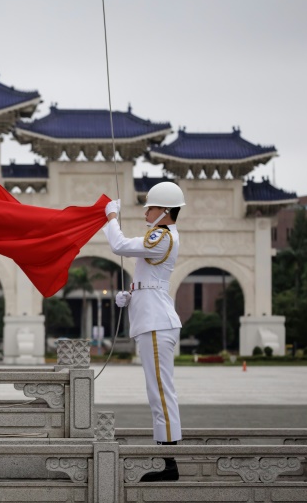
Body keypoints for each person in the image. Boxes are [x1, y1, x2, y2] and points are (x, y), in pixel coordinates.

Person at [102, 181, 185, 482]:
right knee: (159, 391)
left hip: (156, 322)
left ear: (164, 211)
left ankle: (170, 465)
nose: (146, 211)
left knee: (161, 392)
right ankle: (168, 460)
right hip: (152, 318)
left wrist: (111, 218)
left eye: (150, 207)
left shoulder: (162, 236)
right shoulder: (162, 236)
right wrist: (131, 295)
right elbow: (149, 277)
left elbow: (119, 246)